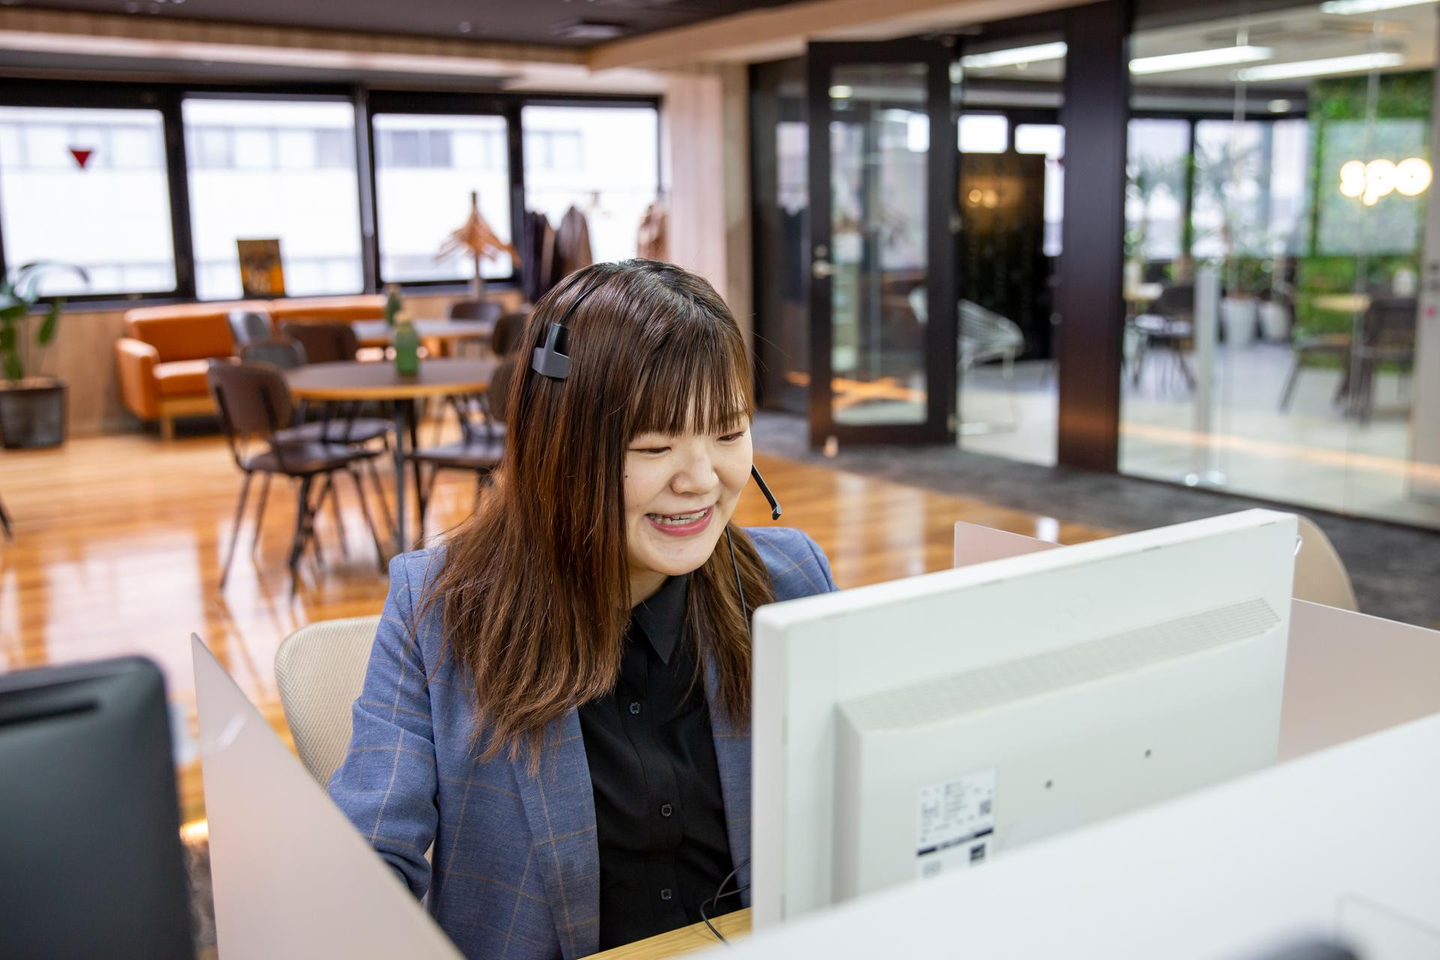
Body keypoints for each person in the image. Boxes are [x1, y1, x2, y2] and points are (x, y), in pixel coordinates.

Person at [329, 260, 838, 959]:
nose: (701, 480)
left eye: (728, 435)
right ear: (559, 451)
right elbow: (365, 862)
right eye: (654, 446)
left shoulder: (790, 582)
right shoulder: (441, 609)